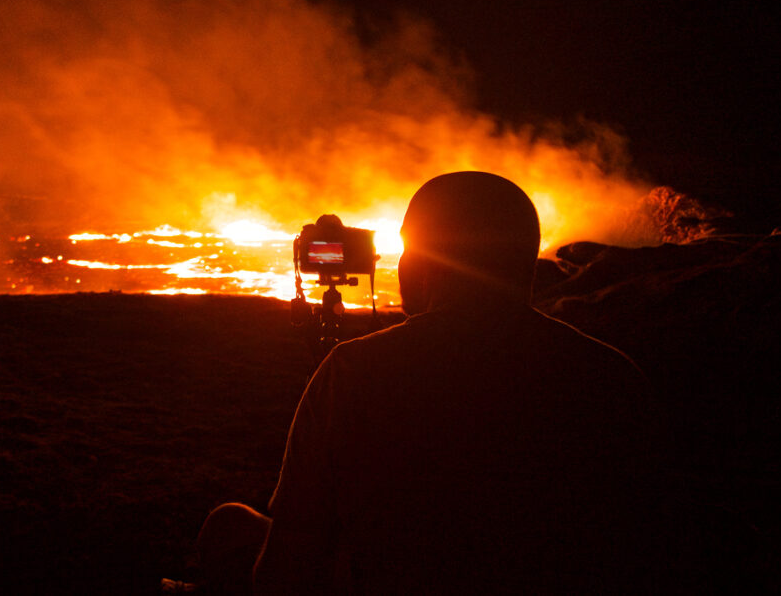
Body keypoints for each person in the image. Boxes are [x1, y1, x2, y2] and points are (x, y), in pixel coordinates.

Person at [195, 172, 660, 595]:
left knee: (230, 527)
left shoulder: (353, 373)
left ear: (425, 262)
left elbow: (287, 568)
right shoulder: (612, 376)